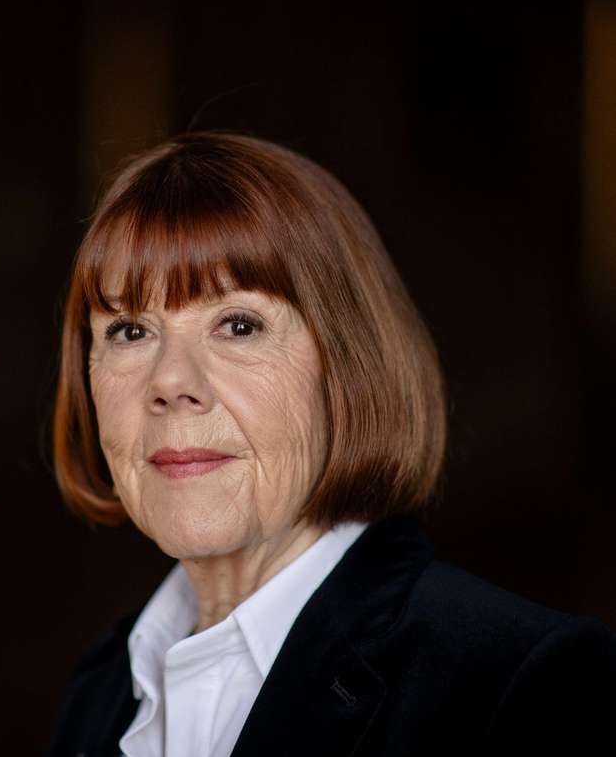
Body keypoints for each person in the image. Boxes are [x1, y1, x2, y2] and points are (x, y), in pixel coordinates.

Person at [45, 131, 616, 757]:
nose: (171, 382)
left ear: (348, 367)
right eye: (130, 331)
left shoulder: (517, 686)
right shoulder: (99, 693)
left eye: (238, 325)